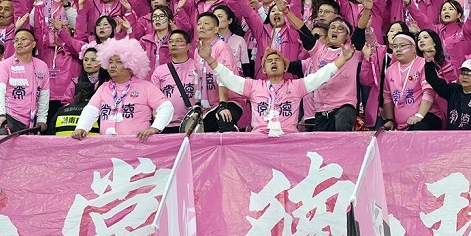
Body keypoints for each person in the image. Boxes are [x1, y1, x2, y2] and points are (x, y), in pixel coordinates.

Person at [197, 42, 355, 137]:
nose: (273, 62)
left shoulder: (297, 86)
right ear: (264, 70)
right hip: (258, 140)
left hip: (288, 140)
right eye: (269, 61)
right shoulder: (253, 86)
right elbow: (228, 78)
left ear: (285, 67)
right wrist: (209, 59)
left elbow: (321, 76)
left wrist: (343, 59)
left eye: (277, 60)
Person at [72, 38, 175, 140]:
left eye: (118, 62)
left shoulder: (145, 87)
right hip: (108, 147)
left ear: (130, 65)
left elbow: (166, 107)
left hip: (138, 146)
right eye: (110, 62)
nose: (112, 66)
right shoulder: (103, 88)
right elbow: (90, 111)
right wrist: (81, 128)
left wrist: (155, 128)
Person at [0, 28, 51, 134]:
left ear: (33, 44)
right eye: (16, 40)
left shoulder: (42, 66)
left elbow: (44, 94)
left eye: (23, 39)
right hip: (7, 115)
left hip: (29, 121)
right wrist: (0, 114)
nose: (19, 42)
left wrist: (42, 119)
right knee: (0, 136)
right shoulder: (5, 65)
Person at [424, 58, 471, 130]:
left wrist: (457, 134)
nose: (465, 77)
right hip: (450, 136)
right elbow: (433, 80)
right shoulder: (453, 89)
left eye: (470, 74)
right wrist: (429, 62)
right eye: (463, 73)